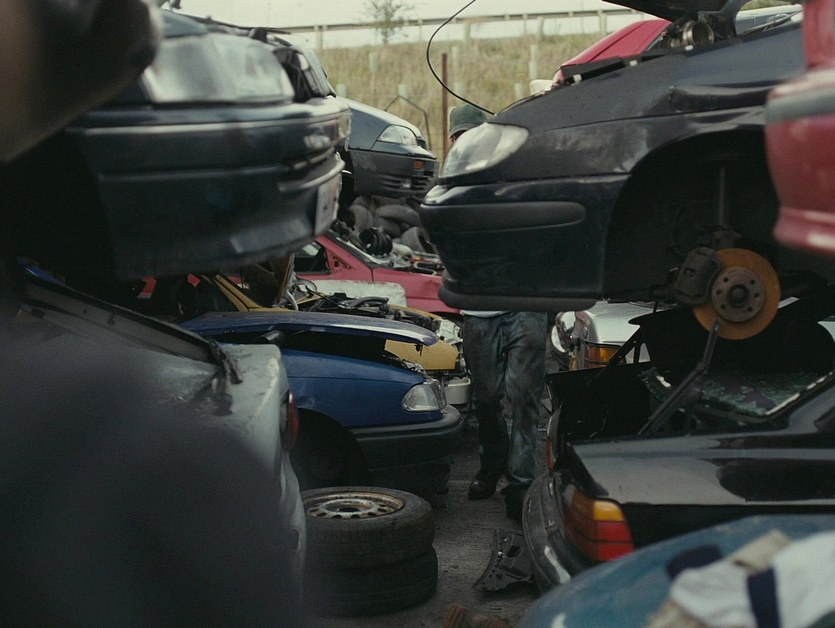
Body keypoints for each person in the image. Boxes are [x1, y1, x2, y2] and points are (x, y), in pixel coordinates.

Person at [448, 104, 549, 522]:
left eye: (473, 137)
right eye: (460, 139)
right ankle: (492, 463)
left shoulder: (516, 176)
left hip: (525, 305)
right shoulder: (451, 188)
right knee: (486, 399)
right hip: (479, 311)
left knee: (523, 397)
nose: (467, 146)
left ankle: (521, 482)